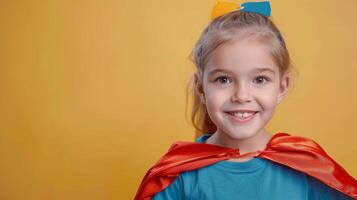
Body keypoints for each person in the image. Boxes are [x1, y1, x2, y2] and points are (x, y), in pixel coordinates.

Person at [135, 1, 357, 199]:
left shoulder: (308, 167)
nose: (241, 95)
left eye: (260, 79)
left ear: (282, 87)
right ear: (201, 87)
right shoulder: (177, 175)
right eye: (223, 79)